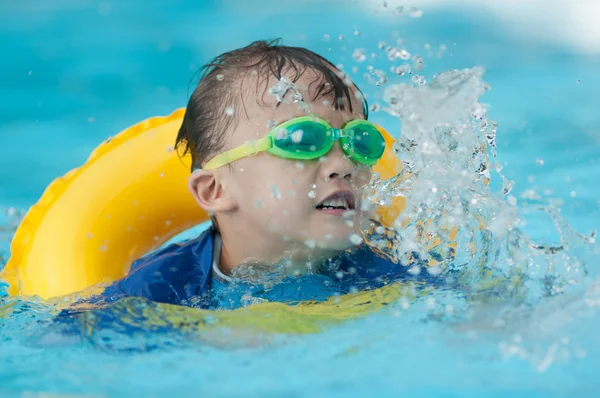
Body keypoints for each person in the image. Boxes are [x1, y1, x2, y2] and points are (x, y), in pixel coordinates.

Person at [100, 39, 437, 310]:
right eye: (304, 140)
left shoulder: (392, 267)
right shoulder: (164, 286)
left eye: (358, 141)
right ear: (215, 190)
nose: (345, 166)